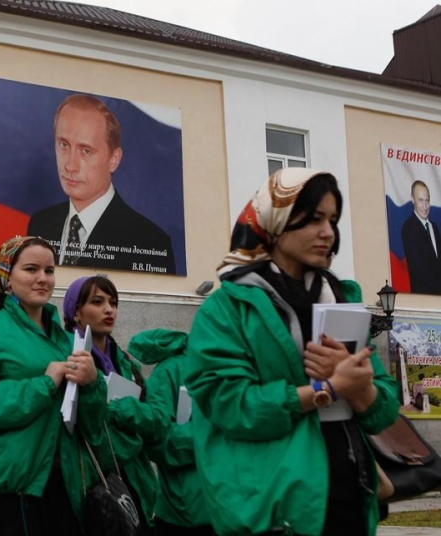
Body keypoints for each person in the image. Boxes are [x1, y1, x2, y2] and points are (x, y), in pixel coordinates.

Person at [184, 169, 399, 535]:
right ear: (277, 220)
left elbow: (383, 411)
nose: (328, 232)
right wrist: (327, 389)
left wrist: (361, 387)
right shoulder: (226, 309)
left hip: (348, 493)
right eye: (314, 218)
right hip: (272, 507)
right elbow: (230, 405)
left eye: (332, 220)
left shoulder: (341, 299)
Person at [0, 236, 107, 535]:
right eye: (31, 269)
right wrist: (44, 384)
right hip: (13, 490)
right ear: (7, 278)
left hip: (68, 485)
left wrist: (92, 384)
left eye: (49, 271)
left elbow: (93, 426)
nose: (42, 279)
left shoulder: (65, 339)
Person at [26, 94, 176, 274]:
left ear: (114, 159)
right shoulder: (39, 223)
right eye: (64, 145)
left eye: (86, 150)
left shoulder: (150, 241)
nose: (70, 165)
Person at [62, 275, 157, 531]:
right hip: (91, 484)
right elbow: (89, 432)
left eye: (113, 303)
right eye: (97, 301)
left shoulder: (127, 364)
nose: (109, 309)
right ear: (76, 313)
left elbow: (153, 421)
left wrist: (121, 416)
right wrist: (129, 427)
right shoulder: (67, 359)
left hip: (134, 481)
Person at [123, 329, 215, 536]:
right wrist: (211, 436)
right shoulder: (171, 370)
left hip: (233, 509)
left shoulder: (236, 370)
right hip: (188, 513)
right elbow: (156, 438)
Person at [400, 180, 441, 294]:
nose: (425, 206)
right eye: (421, 200)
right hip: (422, 299)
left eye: (427, 201)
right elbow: (419, 269)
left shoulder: (435, 228)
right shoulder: (408, 228)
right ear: (412, 199)